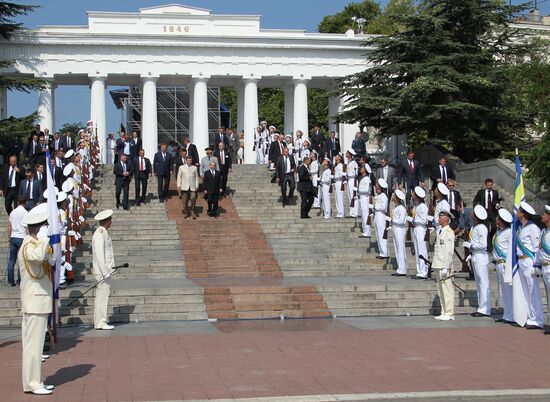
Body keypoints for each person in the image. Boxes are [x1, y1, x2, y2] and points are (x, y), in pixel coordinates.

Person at [18, 207, 55, 395]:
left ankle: (36, 380)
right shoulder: (28, 246)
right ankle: (33, 383)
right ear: (38, 229)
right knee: (33, 347)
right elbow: (38, 257)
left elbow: (49, 260)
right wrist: (47, 239)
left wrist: (50, 248)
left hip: (38, 302)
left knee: (36, 346)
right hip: (34, 303)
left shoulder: (34, 244)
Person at [516, 202, 544, 329]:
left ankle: (538, 319)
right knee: (526, 291)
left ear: (523, 214)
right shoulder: (521, 228)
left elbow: (536, 247)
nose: (516, 212)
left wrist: (536, 264)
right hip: (521, 261)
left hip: (529, 261)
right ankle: (530, 317)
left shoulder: (533, 228)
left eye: (519, 211)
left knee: (533, 291)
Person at [465, 205, 491, 317]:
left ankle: (485, 308)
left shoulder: (481, 228)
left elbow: (483, 244)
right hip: (475, 255)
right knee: (478, 282)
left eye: (473, 212)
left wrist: (471, 246)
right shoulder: (474, 227)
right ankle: (481, 307)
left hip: (480, 256)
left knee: (483, 282)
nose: (471, 214)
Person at [92, 209, 115, 330]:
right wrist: (105, 272)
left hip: (105, 270)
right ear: (107, 221)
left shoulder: (103, 232)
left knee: (103, 296)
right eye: (110, 220)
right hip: (102, 272)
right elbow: (100, 255)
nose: (111, 222)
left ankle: (100, 321)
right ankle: (100, 322)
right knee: (102, 296)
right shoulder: (100, 233)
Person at [432, 207, 456, 321]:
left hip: (444, 266)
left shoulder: (449, 232)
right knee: (441, 290)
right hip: (438, 264)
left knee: (447, 289)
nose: (439, 218)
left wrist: (446, 267)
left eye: (441, 216)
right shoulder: (441, 231)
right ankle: (444, 311)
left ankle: (450, 312)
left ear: (447, 218)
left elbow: (449, 251)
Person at [493, 208, 513, 324]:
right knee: (504, 290)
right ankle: (507, 314)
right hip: (499, 263)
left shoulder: (509, 232)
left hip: (506, 263)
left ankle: (512, 314)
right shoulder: (499, 232)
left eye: (497, 218)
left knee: (509, 290)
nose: (496, 220)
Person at [473, 178, 500, 251]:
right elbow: (475, 200)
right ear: (485, 185)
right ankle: (489, 246)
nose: (490, 186)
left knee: (494, 228)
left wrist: (497, 204)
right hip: (484, 212)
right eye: (488, 185)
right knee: (486, 229)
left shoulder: (495, 192)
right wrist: (476, 209)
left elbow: (497, 201)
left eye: (491, 185)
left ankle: (490, 238)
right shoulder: (481, 192)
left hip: (492, 212)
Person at [535, 205, 550, 334]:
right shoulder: (543, 231)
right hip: (545, 267)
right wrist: (537, 264)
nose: (542, 216)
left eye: (544, 215)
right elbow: (540, 250)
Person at [7, 196, 28, 286]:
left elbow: (9, 226)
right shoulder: (26, 213)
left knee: (11, 260)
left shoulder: (12, 212)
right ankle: (20, 279)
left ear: (18, 202)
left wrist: (9, 237)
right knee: (21, 259)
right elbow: (27, 228)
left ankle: (10, 280)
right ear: (25, 202)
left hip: (13, 236)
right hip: (22, 237)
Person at [411, 186, 429, 279]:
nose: (413, 196)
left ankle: (424, 271)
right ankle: (419, 270)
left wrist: (415, 221)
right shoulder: (416, 206)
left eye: (414, 194)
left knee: (422, 249)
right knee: (417, 249)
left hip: (421, 229)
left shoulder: (423, 206)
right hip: (416, 228)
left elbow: (424, 220)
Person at [391, 189, 408, 276]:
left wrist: (392, 220)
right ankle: (400, 267)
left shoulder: (401, 208)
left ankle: (402, 269)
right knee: (397, 248)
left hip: (400, 229)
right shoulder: (397, 207)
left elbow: (401, 221)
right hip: (395, 228)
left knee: (400, 248)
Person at [374, 178, 390, 259]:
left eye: (377, 187)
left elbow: (384, 207)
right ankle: (382, 251)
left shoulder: (383, 196)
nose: (376, 188)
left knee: (381, 233)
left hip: (381, 215)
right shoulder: (379, 196)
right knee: (378, 233)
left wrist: (375, 206)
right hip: (377, 214)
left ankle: (385, 252)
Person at [357, 164, 372, 238]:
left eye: (362, 168)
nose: (361, 169)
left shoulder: (367, 179)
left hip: (365, 198)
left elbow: (367, 190)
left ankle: (367, 231)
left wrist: (359, 190)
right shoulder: (363, 178)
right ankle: (365, 230)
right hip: (361, 198)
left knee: (365, 215)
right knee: (363, 214)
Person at [346, 149, 359, 218]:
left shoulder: (354, 163)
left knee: (354, 196)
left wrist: (348, 174)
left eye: (347, 153)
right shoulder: (348, 163)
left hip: (352, 180)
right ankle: (352, 212)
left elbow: (355, 173)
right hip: (349, 180)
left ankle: (355, 212)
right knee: (350, 196)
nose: (346, 154)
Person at [333, 154, 345, 219]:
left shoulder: (340, 165)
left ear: (340, 158)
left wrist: (335, 177)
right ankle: (339, 212)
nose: (336, 157)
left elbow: (341, 174)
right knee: (337, 198)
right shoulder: (337, 165)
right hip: (336, 182)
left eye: (337, 156)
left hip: (339, 182)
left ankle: (341, 213)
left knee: (340, 198)